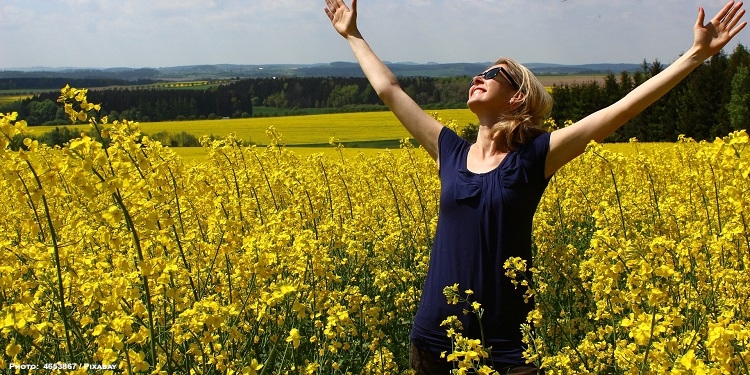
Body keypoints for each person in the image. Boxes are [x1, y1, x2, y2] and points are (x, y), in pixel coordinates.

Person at [323, 0, 746, 374]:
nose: (479, 75)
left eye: (494, 74)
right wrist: (353, 35)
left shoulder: (533, 158)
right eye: (480, 71)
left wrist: (695, 55)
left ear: (518, 98)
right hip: (434, 341)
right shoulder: (448, 151)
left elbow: (617, 111)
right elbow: (389, 89)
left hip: (506, 351)